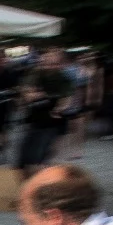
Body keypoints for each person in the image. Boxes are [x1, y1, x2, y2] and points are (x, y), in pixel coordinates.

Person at [16, 49, 74, 177]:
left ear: (60, 64)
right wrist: (41, 95)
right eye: (46, 62)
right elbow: (27, 94)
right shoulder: (36, 74)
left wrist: (59, 107)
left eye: (54, 64)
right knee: (24, 159)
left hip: (52, 122)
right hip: (35, 120)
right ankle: (29, 182)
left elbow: (66, 99)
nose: (49, 66)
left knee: (40, 156)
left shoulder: (64, 78)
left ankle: (38, 183)